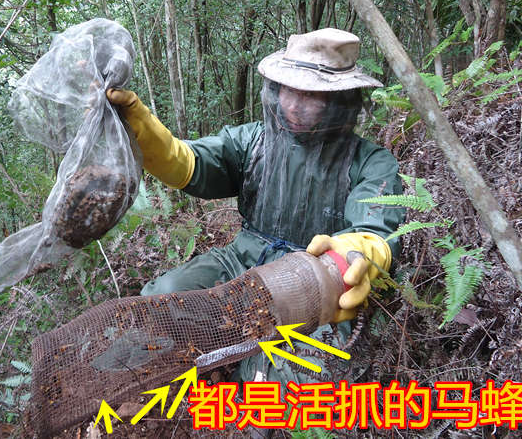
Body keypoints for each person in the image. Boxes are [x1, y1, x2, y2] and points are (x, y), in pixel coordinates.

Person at [106, 28, 404, 385]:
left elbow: (374, 229)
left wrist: (358, 253)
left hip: (315, 280)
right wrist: (143, 129)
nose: (294, 105)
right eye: (290, 90)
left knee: (302, 377)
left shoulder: (371, 162)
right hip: (244, 258)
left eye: (311, 95)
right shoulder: (252, 141)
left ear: (340, 100)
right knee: (162, 299)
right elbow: (191, 164)